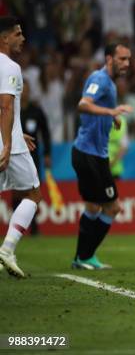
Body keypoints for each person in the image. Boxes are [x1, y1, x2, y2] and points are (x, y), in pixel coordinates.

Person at [71, 43, 133, 270]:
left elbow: (100, 104)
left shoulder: (108, 83)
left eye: (128, 59)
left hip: (91, 153)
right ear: (109, 58)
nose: (126, 64)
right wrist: (111, 112)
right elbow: (83, 104)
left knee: (94, 207)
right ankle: (85, 256)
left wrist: (112, 118)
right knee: (112, 207)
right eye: (122, 59)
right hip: (90, 155)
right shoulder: (100, 79)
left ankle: (82, 257)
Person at [0, 16, 42, 278]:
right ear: (4, 38)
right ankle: (7, 250)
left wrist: (18, 132)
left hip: (11, 137)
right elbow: (4, 106)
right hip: (7, 145)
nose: (22, 38)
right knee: (34, 193)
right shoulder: (10, 67)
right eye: (17, 34)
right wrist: (8, 142)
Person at [12, 80, 51, 235]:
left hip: (33, 157)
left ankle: (34, 227)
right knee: (17, 193)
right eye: (22, 89)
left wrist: (47, 153)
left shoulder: (36, 110)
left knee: (34, 192)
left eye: (27, 90)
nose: (24, 93)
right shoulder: (11, 110)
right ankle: (15, 227)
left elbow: (46, 132)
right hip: (15, 156)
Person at [108, 114, 129, 179]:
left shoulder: (99, 118)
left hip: (113, 169)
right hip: (109, 167)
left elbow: (124, 148)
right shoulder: (122, 120)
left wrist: (112, 163)